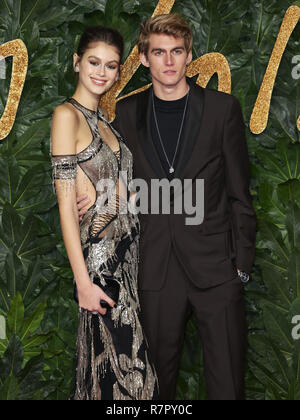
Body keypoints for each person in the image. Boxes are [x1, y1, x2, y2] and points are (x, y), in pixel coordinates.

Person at [78, 14, 257, 400]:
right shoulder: (126, 113)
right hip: (155, 270)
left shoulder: (222, 109)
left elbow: (240, 192)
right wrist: (95, 197)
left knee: (228, 387)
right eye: (159, 52)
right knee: (156, 390)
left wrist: (240, 266)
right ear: (144, 59)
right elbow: (118, 186)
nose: (169, 61)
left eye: (177, 51)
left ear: (189, 55)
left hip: (217, 270)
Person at [50, 26, 159, 400]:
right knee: (128, 381)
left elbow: (125, 195)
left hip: (129, 263)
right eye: (94, 62)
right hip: (101, 268)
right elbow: (66, 205)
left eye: (111, 66)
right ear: (77, 62)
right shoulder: (67, 116)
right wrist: (82, 282)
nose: (102, 72)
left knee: (117, 381)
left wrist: (116, 195)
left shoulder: (107, 122)